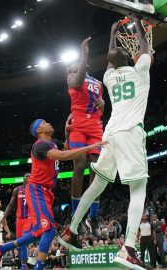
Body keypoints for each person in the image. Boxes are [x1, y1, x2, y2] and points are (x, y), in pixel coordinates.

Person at [58, 17, 154, 270]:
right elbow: (144, 50)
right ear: (129, 57)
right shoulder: (140, 69)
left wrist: (113, 32)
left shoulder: (109, 77)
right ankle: (129, 248)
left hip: (109, 135)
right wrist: (140, 27)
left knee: (99, 183)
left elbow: (115, 56)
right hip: (130, 132)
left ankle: (72, 228)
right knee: (138, 189)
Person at [0, 119, 107, 270]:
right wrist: (91, 146)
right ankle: (39, 267)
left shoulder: (52, 142)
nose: (49, 123)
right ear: (39, 130)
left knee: (38, 233)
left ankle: (2, 249)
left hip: (46, 192)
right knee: (49, 231)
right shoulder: (40, 146)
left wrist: (67, 132)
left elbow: (66, 147)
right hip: (36, 190)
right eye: (44, 122)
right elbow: (63, 156)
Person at [66, 37, 105, 235]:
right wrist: (84, 54)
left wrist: (103, 105)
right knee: (80, 164)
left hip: (95, 126)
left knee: (96, 169)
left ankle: (94, 216)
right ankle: (76, 215)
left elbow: (101, 109)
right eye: (72, 67)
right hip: (79, 125)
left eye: (78, 65)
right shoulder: (72, 78)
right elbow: (79, 80)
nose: (73, 68)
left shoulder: (98, 82)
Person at [2, 172, 31, 270]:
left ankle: (24, 265)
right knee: (19, 244)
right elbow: (10, 205)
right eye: (27, 175)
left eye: (30, 176)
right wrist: (4, 217)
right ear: (23, 178)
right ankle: (22, 263)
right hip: (19, 220)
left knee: (23, 242)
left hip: (29, 219)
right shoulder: (17, 190)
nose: (28, 177)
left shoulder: (34, 189)